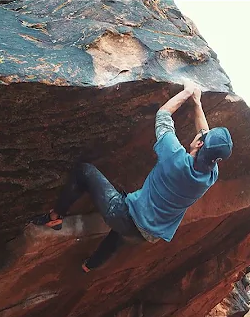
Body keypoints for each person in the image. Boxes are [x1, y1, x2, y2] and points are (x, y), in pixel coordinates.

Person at [29, 80, 233, 273]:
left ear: (198, 144)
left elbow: (163, 115)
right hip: (148, 234)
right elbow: (204, 134)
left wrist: (188, 92)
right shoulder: (210, 175)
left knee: (85, 171)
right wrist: (197, 104)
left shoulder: (175, 158)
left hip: (125, 216)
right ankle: (90, 266)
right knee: (120, 234)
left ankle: (54, 217)